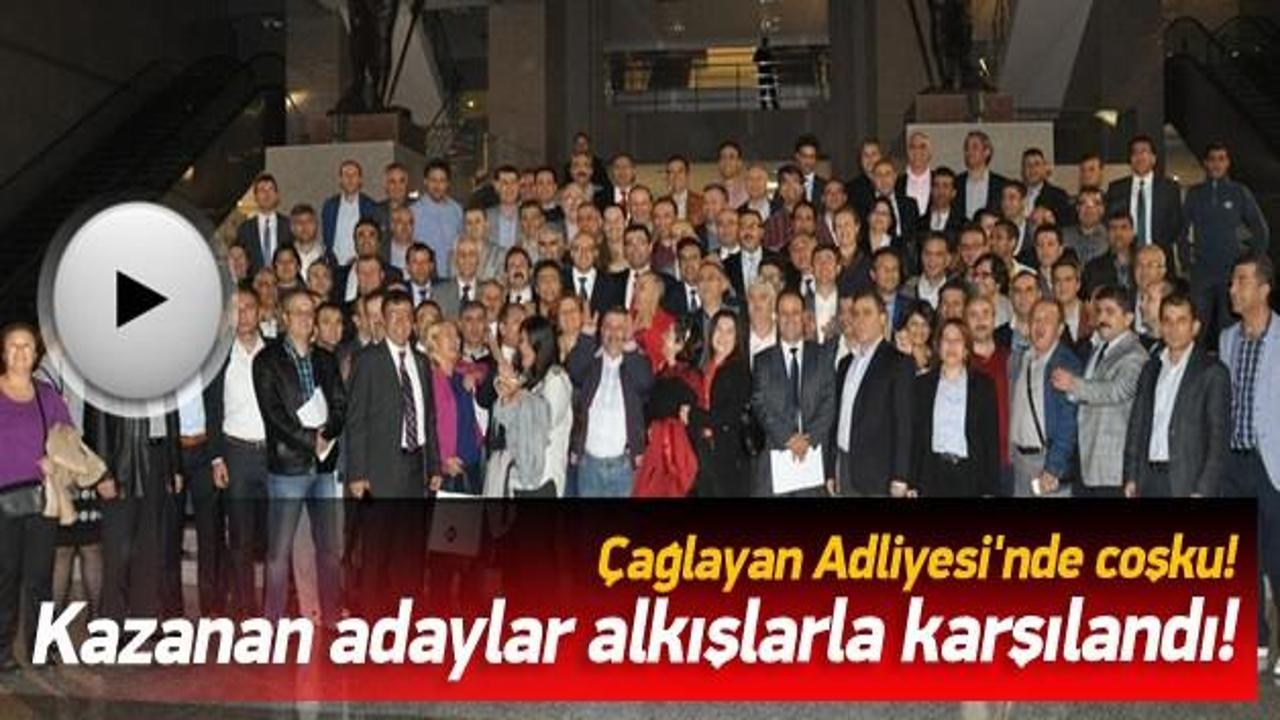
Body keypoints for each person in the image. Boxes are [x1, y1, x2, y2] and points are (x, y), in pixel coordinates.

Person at [252, 290, 346, 627]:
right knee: (279, 554)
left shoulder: (326, 358)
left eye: (310, 312)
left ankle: (331, 615)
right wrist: (310, 439)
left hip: (323, 466)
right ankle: (272, 623)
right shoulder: (266, 361)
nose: (306, 318)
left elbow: (340, 403)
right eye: (299, 311)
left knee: (329, 550)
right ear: (285, 317)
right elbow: (273, 414)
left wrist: (328, 432)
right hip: (288, 467)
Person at [1217, 250, 1279, 674]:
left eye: (1241, 281)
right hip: (1233, 464)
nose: (1232, 289)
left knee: (1277, 557)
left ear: (1263, 288)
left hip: (1271, 464)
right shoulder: (1227, 339)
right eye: (1232, 280)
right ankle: (1255, 639)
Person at [0, 322, 74, 670]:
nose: (20, 352)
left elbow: (70, 440)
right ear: (3, 353)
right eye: (13, 346)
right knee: (5, 577)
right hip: (2, 503)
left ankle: (41, 647)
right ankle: (2, 651)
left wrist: (54, 459)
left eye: (27, 345)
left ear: (36, 352)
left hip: (42, 499)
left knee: (39, 578)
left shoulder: (47, 395)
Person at [1124, 293, 1228, 498]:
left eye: (1181, 321)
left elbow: (1218, 439)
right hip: (1148, 480)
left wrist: (1204, 489)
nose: (1173, 328)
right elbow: (1137, 425)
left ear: (1195, 327)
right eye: (1167, 321)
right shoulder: (1150, 368)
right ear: (1161, 326)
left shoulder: (1212, 372)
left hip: (1188, 482)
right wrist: (1131, 475)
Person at [207, 285, 270, 619]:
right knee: (241, 537)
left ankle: (276, 607)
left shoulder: (275, 352)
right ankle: (246, 610)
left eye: (248, 307)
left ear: (260, 312)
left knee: (276, 537)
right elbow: (212, 409)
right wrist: (217, 458)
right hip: (236, 454)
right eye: (236, 309)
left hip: (272, 454)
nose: (243, 315)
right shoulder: (219, 358)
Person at [1050, 285, 1148, 497]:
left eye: (1110, 312)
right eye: (1099, 311)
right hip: (1087, 462)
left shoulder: (1135, 354)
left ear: (1129, 318)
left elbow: (1118, 390)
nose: (1102, 318)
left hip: (1112, 467)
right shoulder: (1100, 348)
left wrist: (1073, 384)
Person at [1184, 142, 1271, 345]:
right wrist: (1187, 262)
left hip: (1231, 275)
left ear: (1228, 163)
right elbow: (1182, 231)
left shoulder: (1239, 192)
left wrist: (1252, 264)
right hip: (1202, 273)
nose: (1216, 163)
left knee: (1230, 332)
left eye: (1221, 159)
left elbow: (1261, 230)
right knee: (1195, 329)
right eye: (1212, 159)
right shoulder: (1195, 194)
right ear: (1206, 163)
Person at [830, 292, 915, 497]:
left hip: (878, 473)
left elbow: (904, 423)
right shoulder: (845, 364)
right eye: (856, 314)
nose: (860, 320)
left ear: (883, 319)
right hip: (845, 465)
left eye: (867, 313)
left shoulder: (898, 363)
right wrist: (831, 468)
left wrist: (901, 476)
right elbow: (837, 419)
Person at [751, 291, 834, 497]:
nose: (790, 318)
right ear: (776, 317)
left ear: (804, 316)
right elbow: (760, 404)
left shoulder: (822, 355)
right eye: (784, 313)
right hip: (775, 460)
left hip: (812, 460)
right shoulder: (762, 360)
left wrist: (807, 440)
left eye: (795, 312)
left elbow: (829, 402)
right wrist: (788, 438)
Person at [567, 308, 654, 497]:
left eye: (620, 327)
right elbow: (573, 371)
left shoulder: (636, 362)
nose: (613, 332)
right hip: (588, 464)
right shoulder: (592, 363)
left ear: (628, 331)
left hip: (624, 467)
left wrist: (630, 346)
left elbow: (646, 383)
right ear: (600, 331)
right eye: (608, 326)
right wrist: (586, 337)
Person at [910, 319, 1000, 497]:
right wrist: (912, 482)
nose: (951, 345)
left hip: (969, 474)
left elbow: (990, 440)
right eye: (946, 339)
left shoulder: (983, 386)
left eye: (957, 340)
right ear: (938, 346)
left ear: (966, 348)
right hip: (932, 473)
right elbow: (915, 437)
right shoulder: (922, 385)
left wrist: (990, 489)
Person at [489, 316, 574, 497]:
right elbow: (504, 419)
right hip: (519, 475)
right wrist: (507, 393)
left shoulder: (556, 379)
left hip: (544, 478)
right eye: (521, 341)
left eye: (526, 341)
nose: (521, 347)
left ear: (541, 344)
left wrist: (518, 394)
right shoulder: (527, 379)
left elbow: (545, 421)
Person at [1008, 299, 1081, 497]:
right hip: (1019, 462)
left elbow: (1069, 422)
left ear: (1060, 329)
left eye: (1047, 320)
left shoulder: (1066, 364)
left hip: (1047, 463)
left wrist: (1053, 467)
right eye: (1036, 320)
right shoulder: (1020, 358)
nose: (1039, 326)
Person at [423, 321, 484, 494]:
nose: (455, 340)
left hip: (472, 462)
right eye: (448, 335)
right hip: (448, 467)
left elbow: (486, 367)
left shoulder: (461, 374)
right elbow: (428, 426)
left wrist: (475, 375)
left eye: (456, 336)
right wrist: (442, 461)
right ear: (434, 342)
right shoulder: (429, 378)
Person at [698, 310, 753, 497]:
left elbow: (729, 416)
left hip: (730, 458)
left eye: (730, 331)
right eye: (719, 329)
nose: (723, 336)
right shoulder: (706, 368)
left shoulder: (739, 370)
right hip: (706, 453)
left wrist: (694, 416)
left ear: (737, 338)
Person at [1104, 134, 1184, 260]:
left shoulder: (1169, 189)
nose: (1139, 157)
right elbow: (1110, 222)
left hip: (1158, 258)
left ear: (1153, 159)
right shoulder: (1116, 188)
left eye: (1144, 152)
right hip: (1125, 258)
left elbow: (1176, 225)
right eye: (1135, 152)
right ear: (1130, 159)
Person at [321, 160, 377, 267]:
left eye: (354, 175)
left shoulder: (371, 207)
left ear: (360, 180)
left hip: (362, 264)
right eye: (346, 175)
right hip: (335, 265)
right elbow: (326, 239)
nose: (350, 179)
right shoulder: (329, 206)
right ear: (340, 180)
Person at [237, 173, 294, 272]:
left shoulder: (289, 225)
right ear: (255, 197)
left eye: (270, 189)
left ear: (277, 195)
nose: (267, 194)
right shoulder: (245, 229)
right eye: (262, 190)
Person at [956, 130, 1009, 219]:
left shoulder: (1002, 185)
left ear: (987, 152)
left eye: (974, 147)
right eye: (966, 148)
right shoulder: (956, 183)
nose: (969, 152)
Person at [1021, 147, 1073, 228]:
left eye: (1037, 164)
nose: (1032, 169)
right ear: (1023, 170)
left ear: (1044, 168)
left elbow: (1066, 226)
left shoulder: (1058, 196)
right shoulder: (1016, 194)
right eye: (1028, 165)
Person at [1063, 187, 1108, 267]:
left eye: (1096, 203)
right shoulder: (1063, 236)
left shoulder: (1110, 238)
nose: (1089, 208)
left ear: (1102, 209)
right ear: (1077, 208)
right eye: (1083, 203)